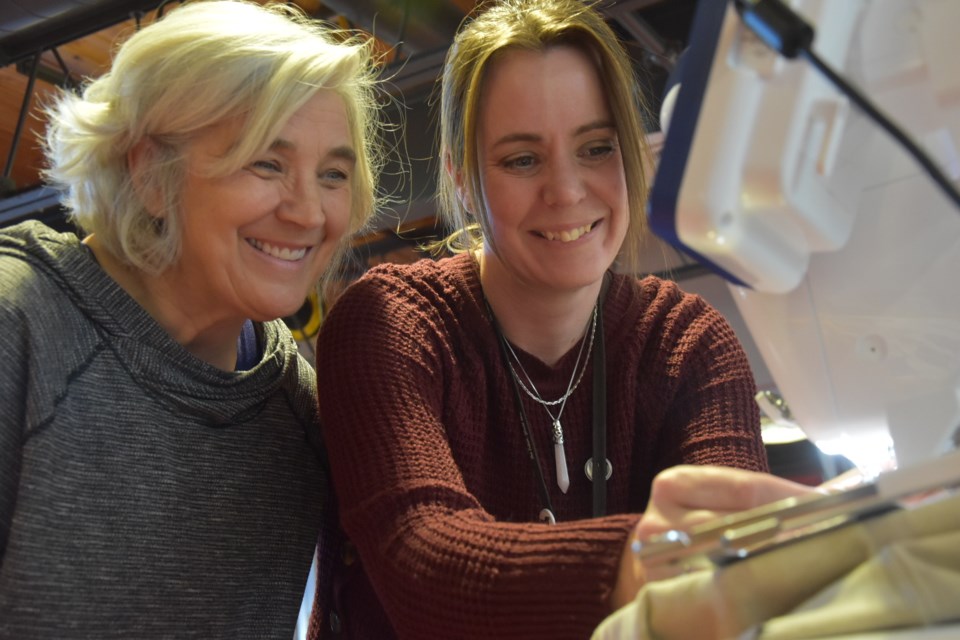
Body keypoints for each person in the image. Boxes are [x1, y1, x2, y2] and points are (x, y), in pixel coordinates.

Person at [313, 0, 813, 638]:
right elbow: (424, 564)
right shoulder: (391, 324)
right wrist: (650, 559)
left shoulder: (689, 344)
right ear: (462, 178)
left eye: (597, 148)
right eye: (522, 159)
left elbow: (738, 576)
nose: (567, 190)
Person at [0, 1, 384, 637]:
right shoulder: (22, 326)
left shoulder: (299, 408)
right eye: (267, 162)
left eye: (333, 174)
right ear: (151, 172)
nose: (308, 211)